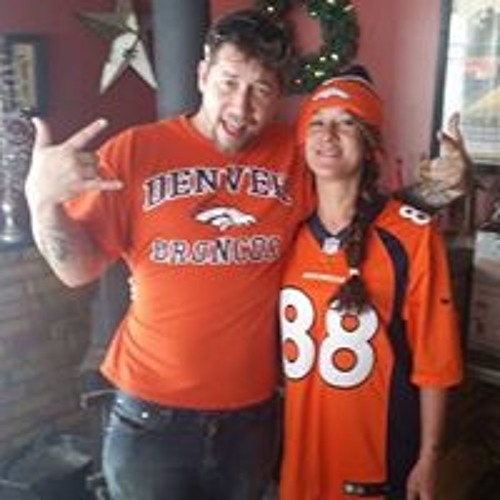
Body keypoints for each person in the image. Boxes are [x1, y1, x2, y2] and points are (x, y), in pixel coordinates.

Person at [25, 9, 468, 500]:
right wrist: (42, 203)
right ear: (202, 74)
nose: (240, 105)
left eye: (260, 89)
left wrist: (438, 191)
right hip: (151, 418)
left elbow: (358, 204)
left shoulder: (295, 155)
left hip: (251, 421)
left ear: (279, 95)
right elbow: (75, 269)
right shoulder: (133, 152)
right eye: (229, 82)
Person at [278, 68, 464, 500]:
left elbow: (435, 363)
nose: (328, 135)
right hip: (299, 454)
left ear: (368, 144)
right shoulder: (285, 229)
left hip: (375, 457)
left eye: (346, 123)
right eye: (318, 122)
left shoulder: (411, 235)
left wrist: (430, 456)